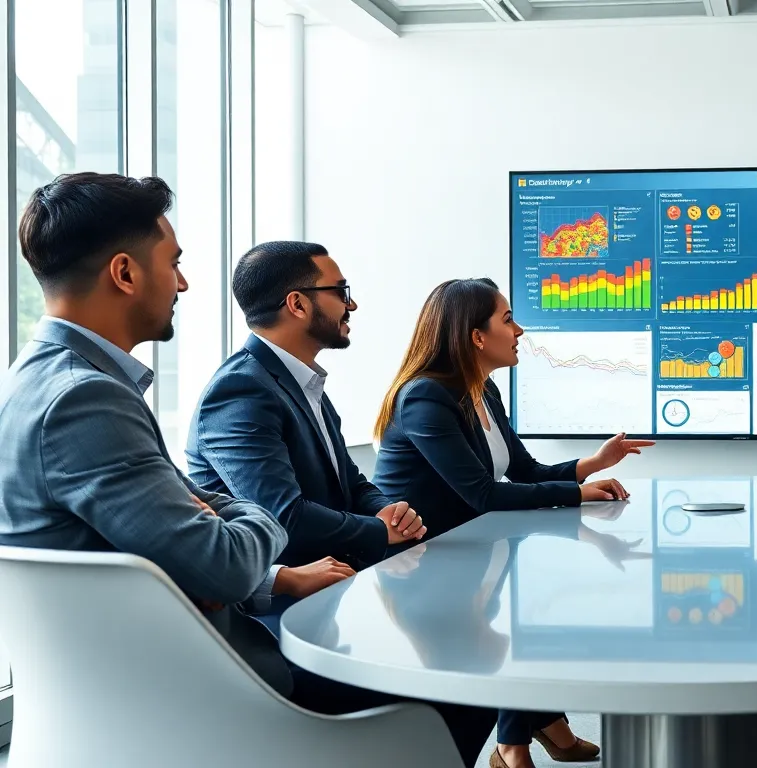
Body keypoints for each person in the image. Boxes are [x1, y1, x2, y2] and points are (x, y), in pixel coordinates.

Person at [0, 172, 496, 767]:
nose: (183, 283)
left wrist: (236, 535)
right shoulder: (86, 400)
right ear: (126, 274)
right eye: (174, 263)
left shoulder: (38, 381)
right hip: (197, 694)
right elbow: (226, 558)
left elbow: (184, 536)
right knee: (460, 690)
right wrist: (239, 523)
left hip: (132, 684)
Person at [373, 277, 646, 768]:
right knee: (528, 612)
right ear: (476, 337)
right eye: (507, 319)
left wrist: (592, 466)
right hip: (421, 559)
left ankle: (524, 737)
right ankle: (522, 738)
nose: (519, 330)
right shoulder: (426, 397)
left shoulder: (482, 390)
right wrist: (576, 494)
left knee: (534, 604)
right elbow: (481, 494)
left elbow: (525, 473)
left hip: (473, 545)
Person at [186, 241, 427, 631]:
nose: (352, 306)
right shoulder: (241, 390)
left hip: (332, 589)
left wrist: (391, 510)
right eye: (340, 292)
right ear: (297, 304)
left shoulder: (304, 383)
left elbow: (350, 483)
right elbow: (284, 517)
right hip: (279, 610)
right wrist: (380, 531)